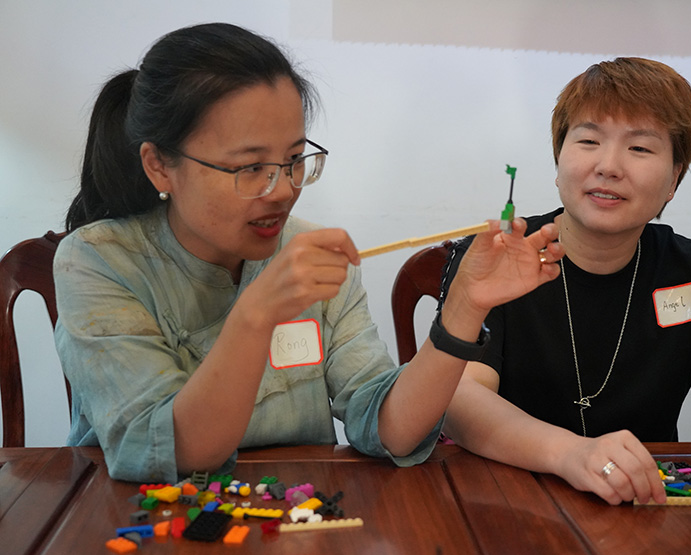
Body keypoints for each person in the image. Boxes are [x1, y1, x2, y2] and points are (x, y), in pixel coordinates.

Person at [54, 23, 563, 483]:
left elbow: (390, 426)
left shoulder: (309, 254)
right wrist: (256, 314)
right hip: (141, 524)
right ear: (160, 165)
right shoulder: (98, 262)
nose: (282, 189)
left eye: (295, 159)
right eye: (250, 167)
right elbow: (175, 452)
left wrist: (464, 308)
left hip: (297, 517)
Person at [441, 57, 691, 505]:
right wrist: (570, 453)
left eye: (640, 148)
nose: (609, 166)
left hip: (643, 508)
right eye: (588, 141)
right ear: (558, 160)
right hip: (502, 501)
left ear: (674, 179)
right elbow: (460, 399)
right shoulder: (496, 256)